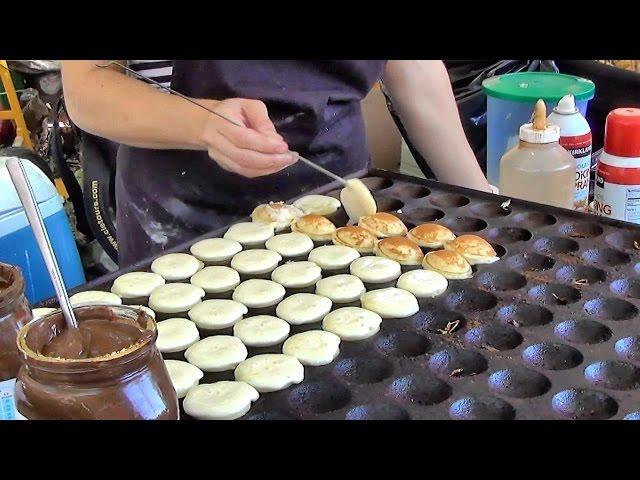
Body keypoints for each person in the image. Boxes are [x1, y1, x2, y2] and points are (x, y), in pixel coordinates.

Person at [61, 60, 492, 267]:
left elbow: (412, 68)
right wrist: (204, 124)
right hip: (184, 220)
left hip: (339, 200)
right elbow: (89, 87)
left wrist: (482, 202)